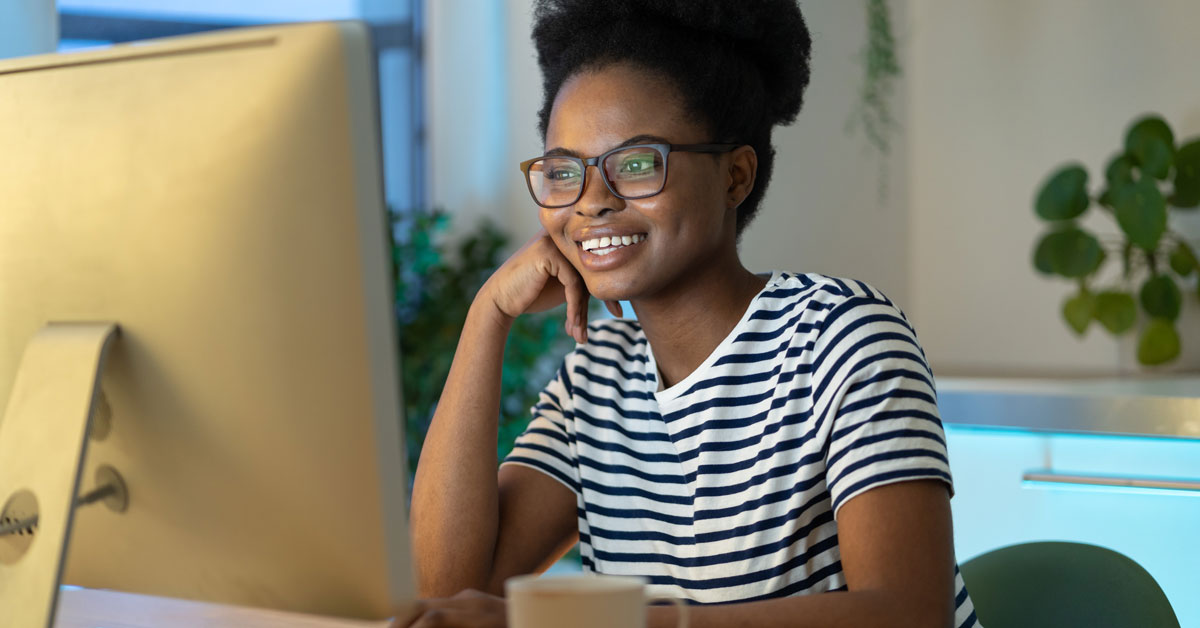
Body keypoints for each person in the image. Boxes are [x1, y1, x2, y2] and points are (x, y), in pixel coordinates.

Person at [403, 1, 981, 626]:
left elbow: (911, 615)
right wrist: (487, 315)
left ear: (735, 176)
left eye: (637, 164)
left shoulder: (843, 338)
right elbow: (449, 585)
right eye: (564, 171)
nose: (592, 202)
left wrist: (633, 623)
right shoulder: (597, 382)